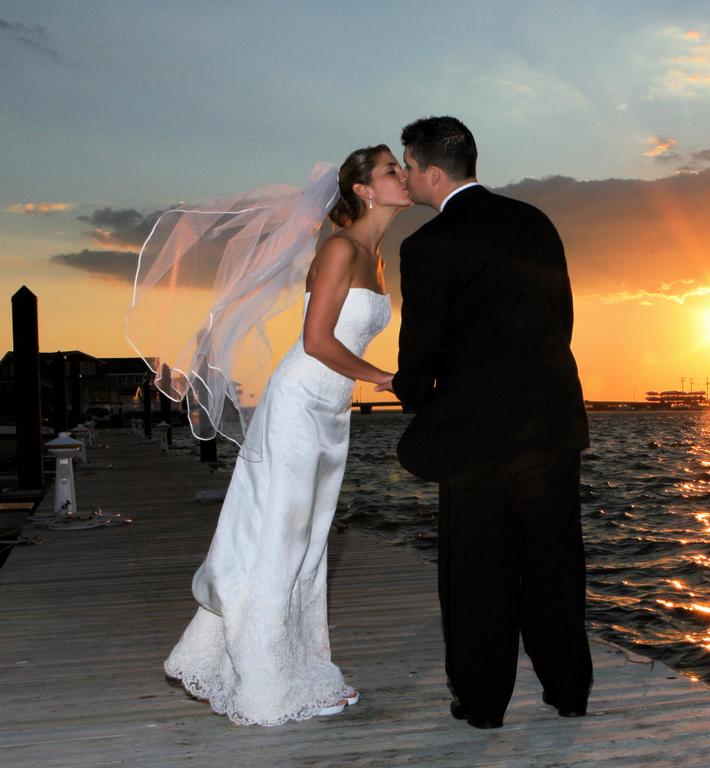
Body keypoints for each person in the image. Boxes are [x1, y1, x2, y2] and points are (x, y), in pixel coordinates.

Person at [160, 146, 410, 726]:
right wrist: (386, 378)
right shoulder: (341, 248)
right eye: (391, 169)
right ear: (364, 189)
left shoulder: (377, 256)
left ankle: (288, 664)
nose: (403, 175)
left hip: (332, 407)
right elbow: (318, 340)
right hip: (300, 402)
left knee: (309, 540)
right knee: (282, 536)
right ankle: (267, 684)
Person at [382, 116, 592, 729]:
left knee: (476, 572)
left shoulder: (425, 246)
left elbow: (421, 348)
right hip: (551, 424)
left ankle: (482, 703)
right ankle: (569, 692)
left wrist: (415, 395)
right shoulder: (536, 223)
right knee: (555, 564)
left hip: (476, 435)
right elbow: (562, 319)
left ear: (434, 172)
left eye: (409, 166)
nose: (407, 176)